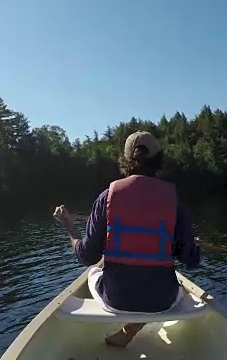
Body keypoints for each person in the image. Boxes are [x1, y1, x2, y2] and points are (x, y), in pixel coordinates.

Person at [53, 130, 201, 347]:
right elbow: (191, 261)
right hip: (163, 301)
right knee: (174, 283)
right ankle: (131, 328)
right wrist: (192, 245)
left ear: (125, 160)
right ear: (159, 160)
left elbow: (86, 257)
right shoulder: (174, 204)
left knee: (95, 270)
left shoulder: (107, 198)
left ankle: (129, 328)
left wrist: (69, 226)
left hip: (116, 300)